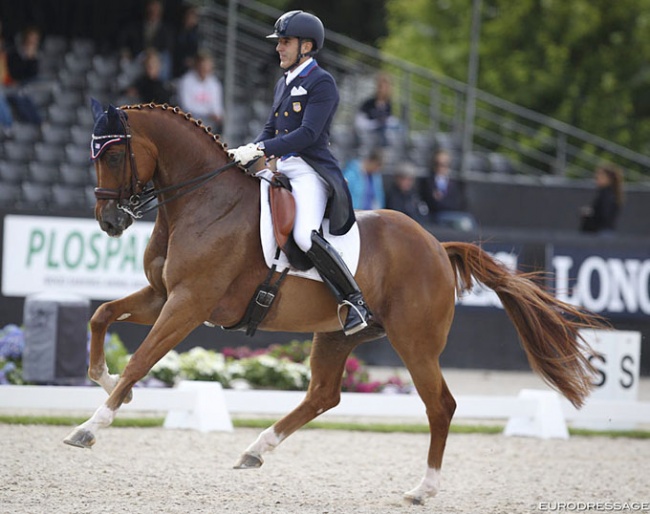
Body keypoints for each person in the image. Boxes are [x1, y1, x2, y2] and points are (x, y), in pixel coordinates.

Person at [227, 10, 371, 336]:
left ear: (306, 46)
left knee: (305, 234)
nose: (279, 48)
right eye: (279, 42)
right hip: (283, 166)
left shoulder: (322, 83)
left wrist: (263, 150)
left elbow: (308, 134)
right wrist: (245, 150)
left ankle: (354, 301)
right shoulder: (283, 83)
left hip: (310, 170)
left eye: (285, 42)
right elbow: (270, 128)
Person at [118, 0, 174, 81]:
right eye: (152, 8)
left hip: (156, 62)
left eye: (156, 9)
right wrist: (125, 51)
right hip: (137, 60)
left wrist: (153, 54)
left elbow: (168, 48)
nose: (154, 11)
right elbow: (123, 39)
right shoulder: (136, 25)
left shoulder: (167, 30)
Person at [420, 149, 476, 230]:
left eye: (444, 164)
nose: (440, 167)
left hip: (454, 213)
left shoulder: (455, 182)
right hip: (437, 215)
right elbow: (432, 204)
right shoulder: (428, 182)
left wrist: (442, 200)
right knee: (464, 222)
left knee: (468, 220)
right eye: (437, 164)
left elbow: (459, 202)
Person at [177, 49, 223, 133]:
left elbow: (217, 107)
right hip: (191, 123)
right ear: (197, 65)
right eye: (202, 65)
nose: (205, 69)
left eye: (207, 65)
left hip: (210, 126)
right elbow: (186, 106)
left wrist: (216, 115)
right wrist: (207, 114)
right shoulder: (186, 81)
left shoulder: (214, 83)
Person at [4, 25, 42, 124]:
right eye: (31, 38)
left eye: (35, 39)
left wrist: (31, 59)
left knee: (26, 92)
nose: (33, 42)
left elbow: (33, 74)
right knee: (20, 95)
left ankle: (36, 122)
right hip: (13, 83)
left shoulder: (34, 56)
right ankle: (35, 122)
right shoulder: (14, 54)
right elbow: (14, 72)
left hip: (27, 83)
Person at [354, 71, 398, 148]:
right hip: (369, 133)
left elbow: (388, 119)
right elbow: (360, 123)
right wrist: (375, 124)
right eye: (382, 87)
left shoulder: (388, 104)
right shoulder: (368, 104)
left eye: (387, 87)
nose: (384, 90)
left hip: (382, 134)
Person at [580, 163, 624, 235]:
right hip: (603, 231)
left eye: (600, 175)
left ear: (609, 178)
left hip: (601, 233)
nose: (597, 177)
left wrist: (590, 215)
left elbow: (604, 215)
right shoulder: (605, 193)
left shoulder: (608, 195)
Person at [172, 4, 200, 79]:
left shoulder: (198, 35)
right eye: (189, 16)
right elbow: (175, 49)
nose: (191, 19)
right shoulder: (177, 31)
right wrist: (184, 59)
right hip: (178, 62)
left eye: (193, 17)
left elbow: (197, 51)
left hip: (193, 63)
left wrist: (193, 60)